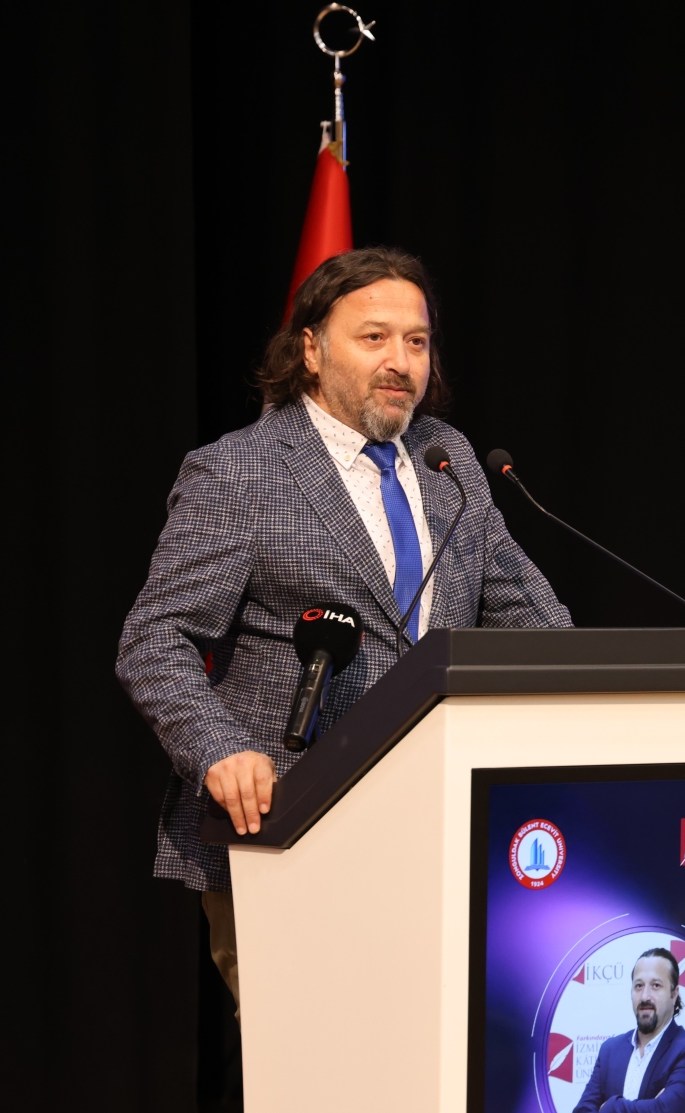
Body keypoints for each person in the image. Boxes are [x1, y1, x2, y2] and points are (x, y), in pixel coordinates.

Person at [117, 247, 570, 1011]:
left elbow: (533, 618)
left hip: (439, 825)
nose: (401, 361)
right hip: (291, 825)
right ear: (310, 348)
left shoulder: (448, 461)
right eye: (374, 338)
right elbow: (156, 639)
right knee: (317, 1063)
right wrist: (218, 748)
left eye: (417, 341)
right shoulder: (241, 472)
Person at [569, 948, 685, 1113]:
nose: (645, 996)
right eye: (638, 986)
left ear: (674, 993)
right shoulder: (610, 1049)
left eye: (656, 985)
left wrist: (608, 1108)